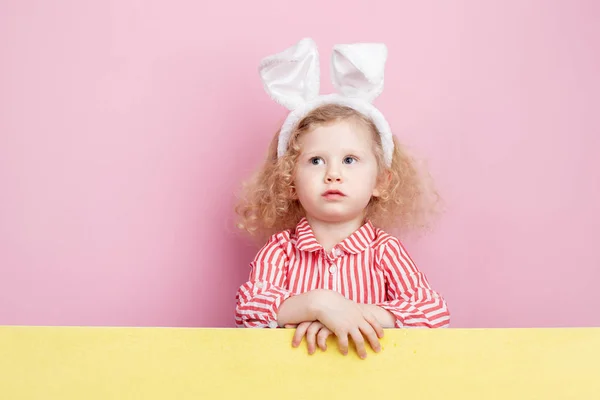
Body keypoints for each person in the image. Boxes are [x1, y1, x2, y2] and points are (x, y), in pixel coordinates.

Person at [234, 38, 450, 359]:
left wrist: (354, 315)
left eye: (350, 160)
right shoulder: (282, 250)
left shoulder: (384, 251)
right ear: (290, 182)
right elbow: (248, 311)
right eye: (316, 160)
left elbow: (433, 313)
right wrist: (318, 304)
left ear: (381, 181)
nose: (333, 174)